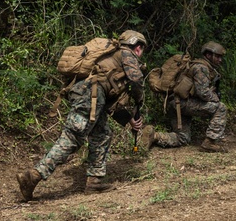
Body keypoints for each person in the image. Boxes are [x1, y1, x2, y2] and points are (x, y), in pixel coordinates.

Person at [16, 30, 147, 201]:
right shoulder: (126, 54)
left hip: (89, 94)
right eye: (142, 49)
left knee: (102, 134)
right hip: (89, 94)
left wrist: (129, 119)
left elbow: (110, 102)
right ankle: (33, 176)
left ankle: (95, 181)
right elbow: (136, 80)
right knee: (73, 137)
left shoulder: (111, 61)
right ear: (138, 47)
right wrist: (140, 98)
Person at [142, 41, 228, 153]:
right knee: (220, 107)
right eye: (217, 56)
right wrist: (215, 98)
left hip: (174, 103)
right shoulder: (201, 68)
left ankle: (154, 136)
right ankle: (210, 142)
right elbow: (203, 93)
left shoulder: (195, 65)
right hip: (182, 104)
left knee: (183, 138)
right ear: (208, 55)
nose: (220, 60)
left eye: (220, 57)